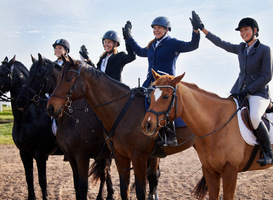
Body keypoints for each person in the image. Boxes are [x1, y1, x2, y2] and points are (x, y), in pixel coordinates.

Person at [192, 12, 273, 166]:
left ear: (255, 30)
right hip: (238, 91)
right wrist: (202, 29)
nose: (243, 33)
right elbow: (221, 43)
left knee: (255, 117)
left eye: (246, 30)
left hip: (258, 94)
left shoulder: (265, 49)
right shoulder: (241, 48)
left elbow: (267, 76)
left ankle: (269, 152)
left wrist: (249, 89)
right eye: (241, 31)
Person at [122, 14, 200, 146]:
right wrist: (129, 37)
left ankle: (170, 135)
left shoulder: (173, 43)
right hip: (151, 82)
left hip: (167, 84)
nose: (156, 30)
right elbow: (140, 52)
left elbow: (193, 45)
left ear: (166, 29)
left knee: (163, 104)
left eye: (159, 28)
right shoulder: (152, 45)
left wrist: (196, 30)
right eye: (154, 28)